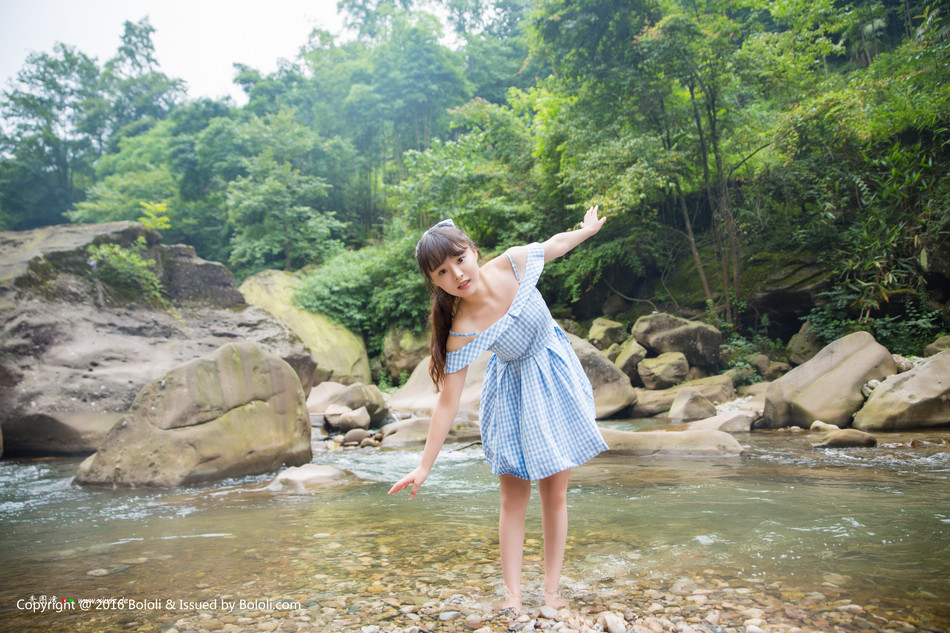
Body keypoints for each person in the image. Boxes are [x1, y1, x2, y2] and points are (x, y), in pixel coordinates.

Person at [388, 206, 610, 612]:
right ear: (434, 281)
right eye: (442, 272)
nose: (457, 274)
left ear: (473, 251)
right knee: (513, 496)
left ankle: (551, 592)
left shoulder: (513, 262)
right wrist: (424, 466)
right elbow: (448, 402)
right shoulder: (461, 328)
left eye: (460, 259)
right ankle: (512, 597)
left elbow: (555, 245)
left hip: (553, 377)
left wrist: (587, 231)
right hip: (510, 395)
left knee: (555, 493)